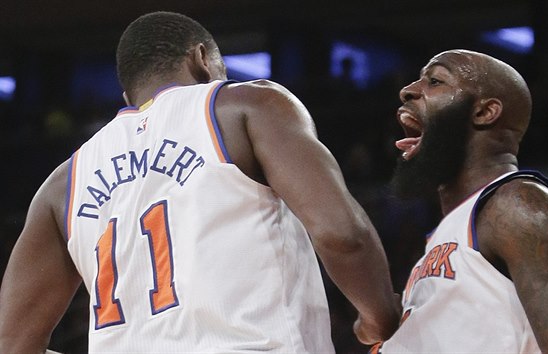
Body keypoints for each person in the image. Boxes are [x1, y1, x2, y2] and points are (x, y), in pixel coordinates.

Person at [0, 11, 400, 353]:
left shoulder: (63, 182)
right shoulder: (247, 105)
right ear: (202, 59)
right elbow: (341, 235)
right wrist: (379, 318)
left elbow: (12, 344)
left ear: (128, 93)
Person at [373, 49, 548, 353]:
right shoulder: (449, 233)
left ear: (485, 112)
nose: (408, 91)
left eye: (435, 81)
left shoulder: (519, 205)